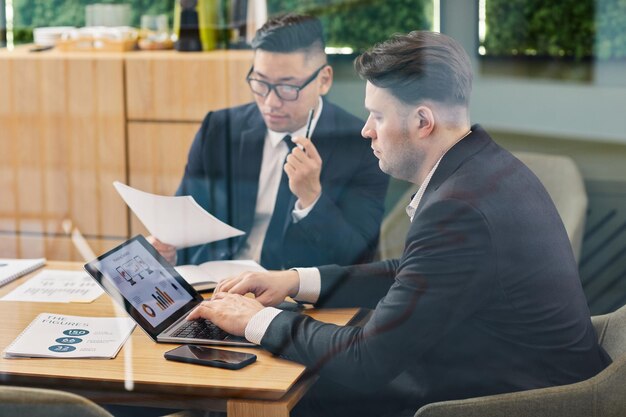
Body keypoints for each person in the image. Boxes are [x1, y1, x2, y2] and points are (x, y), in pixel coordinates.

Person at [185, 30, 611, 417]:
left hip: (503, 400)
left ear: (423, 122)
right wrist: (294, 281)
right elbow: (413, 273)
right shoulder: (488, 167)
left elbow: (365, 361)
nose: (367, 131)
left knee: (279, 390)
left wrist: (253, 321)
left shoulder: (459, 209)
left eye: (378, 116)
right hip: (512, 373)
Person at [151, 14, 388, 270]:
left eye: (287, 88)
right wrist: (170, 252)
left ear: (324, 80)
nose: (270, 102)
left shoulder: (361, 143)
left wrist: (312, 198)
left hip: (297, 295)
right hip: (214, 286)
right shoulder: (219, 128)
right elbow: (185, 226)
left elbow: (359, 261)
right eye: (260, 83)